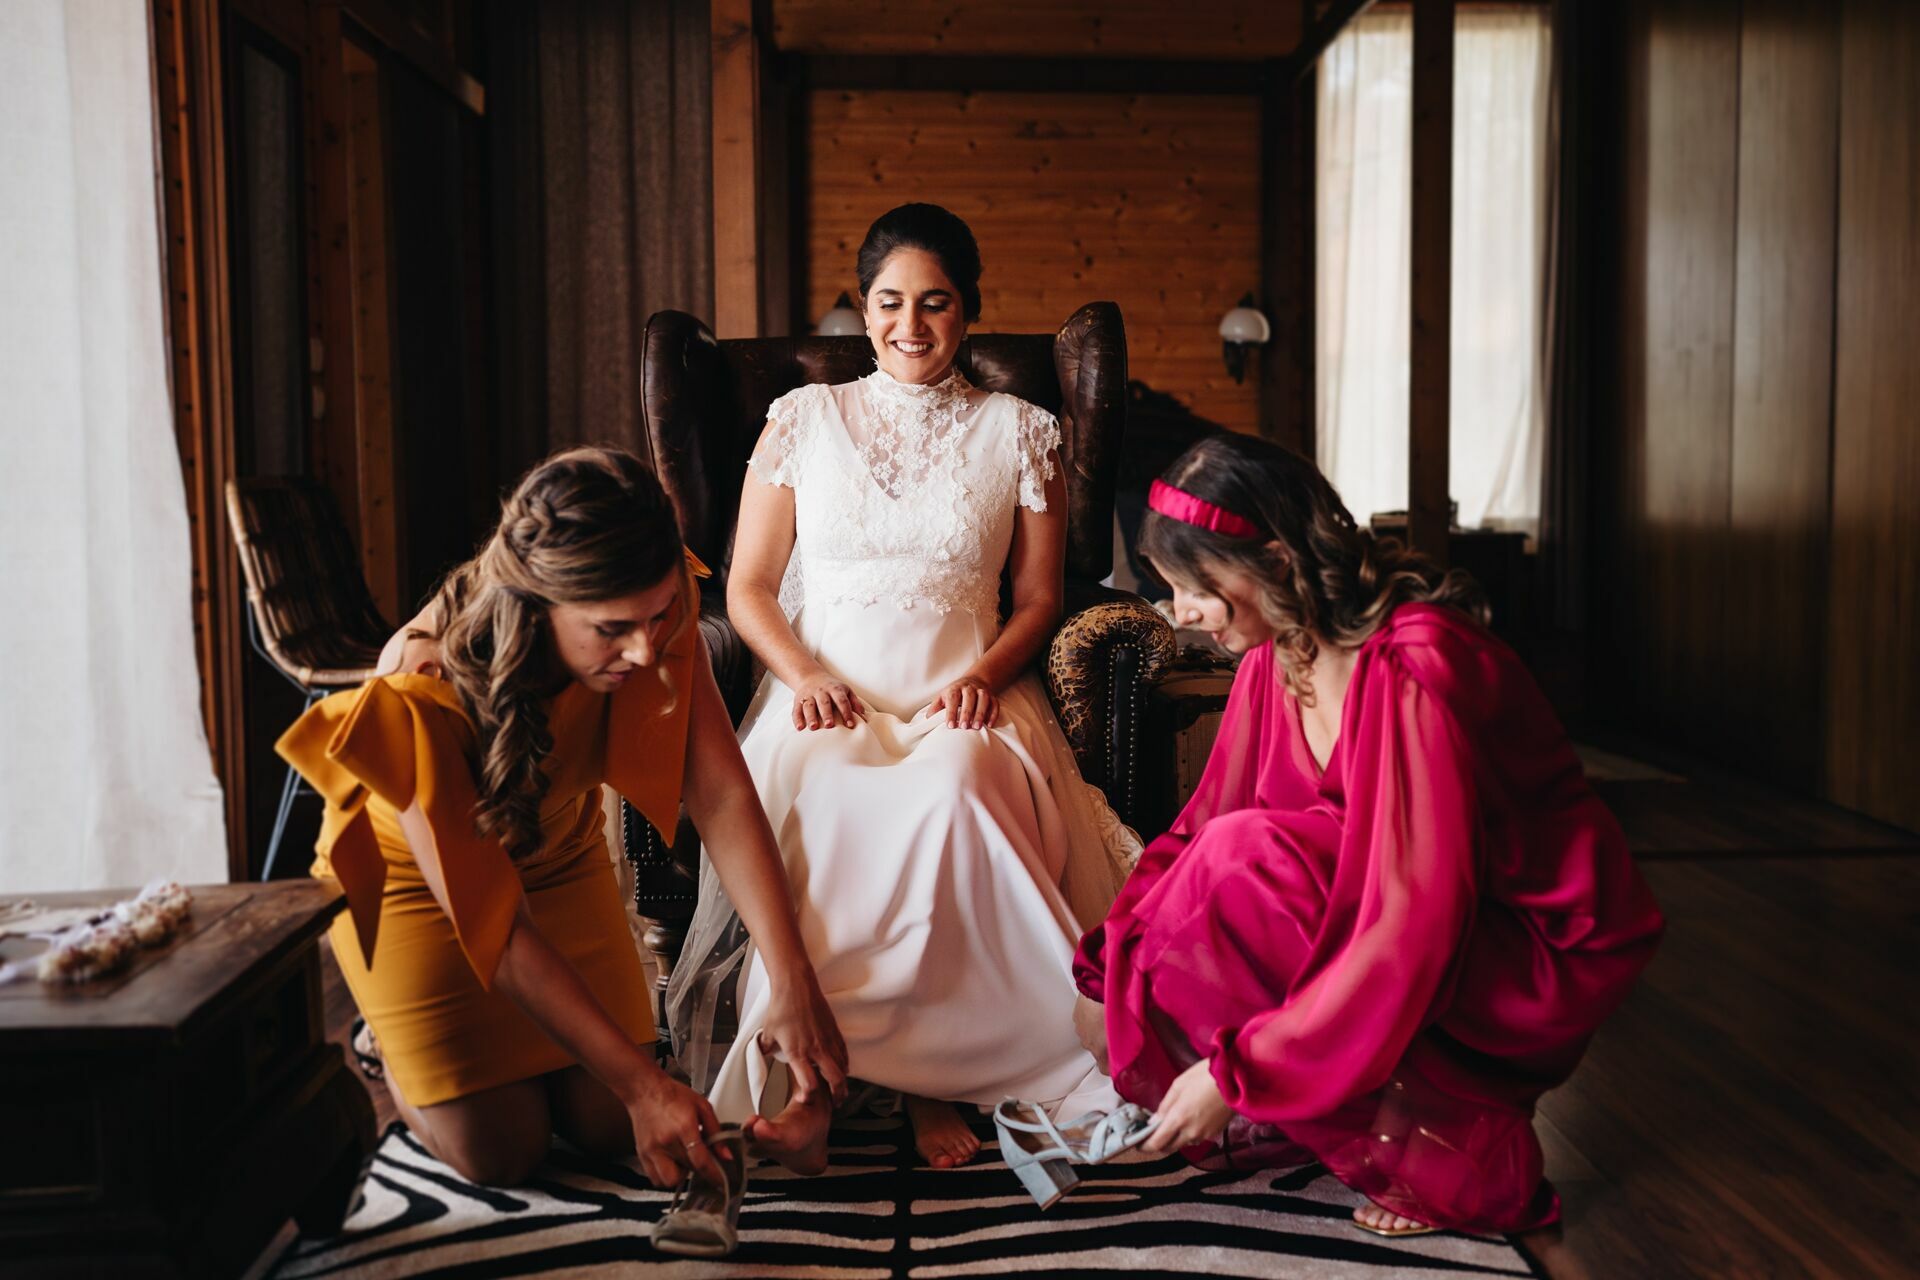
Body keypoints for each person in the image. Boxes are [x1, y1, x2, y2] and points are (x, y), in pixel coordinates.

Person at [1072, 432, 1664, 1236]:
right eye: (1168, 587)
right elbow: (1200, 826)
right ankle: (1343, 1095)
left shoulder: (1419, 664)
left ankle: (1465, 1149)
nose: (1181, 614)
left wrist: (1238, 1075)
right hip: (1387, 908)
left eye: (1195, 586)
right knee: (1218, 863)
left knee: (1246, 861)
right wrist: (1113, 950)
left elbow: (1415, 920)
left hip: (1512, 938)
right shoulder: (1273, 660)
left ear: (1277, 563)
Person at [666, 203, 1136, 1170]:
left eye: (935, 303)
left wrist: (985, 677)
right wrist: (803, 674)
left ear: (968, 313)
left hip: (962, 697)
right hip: (827, 693)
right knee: (822, 792)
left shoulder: (1024, 430)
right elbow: (749, 588)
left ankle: (940, 1078)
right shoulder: (802, 420)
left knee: (958, 793)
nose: (908, 326)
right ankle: (811, 1088)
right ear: (863, 309)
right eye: (888, 303)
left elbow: (1040, 597)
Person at [278, 447, 846, 1192]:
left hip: (559, 858)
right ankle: (383, 1038)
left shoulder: (647, 594)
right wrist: (648, 1088)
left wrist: (794, 980)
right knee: (504, 1151)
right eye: (612, 629)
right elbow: (499, 931)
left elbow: (722, 797)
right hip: (426, 893)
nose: (645, 650)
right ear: (538, 604)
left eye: (658, 618)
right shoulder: (422, 680)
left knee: (609, 1125)